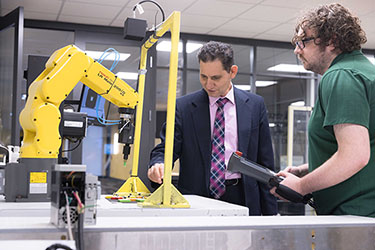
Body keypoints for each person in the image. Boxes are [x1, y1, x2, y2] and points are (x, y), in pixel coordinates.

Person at [148, 41, 277, 215]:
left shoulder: (255, 105)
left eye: (216, 78)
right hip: (197, 197)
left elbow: (265, 162)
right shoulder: (183, 107)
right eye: (203, 77)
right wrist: (158, 164)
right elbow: (166, 149)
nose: (209, 84)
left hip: (243, 196)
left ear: (232, 71)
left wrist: (270, 215)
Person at [272, 3, 375, 217]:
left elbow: (355, 155)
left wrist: (301, 186)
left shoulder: (341, 76)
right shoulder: (365, 72)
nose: (296, 50)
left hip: (356, 216)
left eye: (304, 41)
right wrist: (307, 170)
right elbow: (365, 147)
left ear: (332, 41)